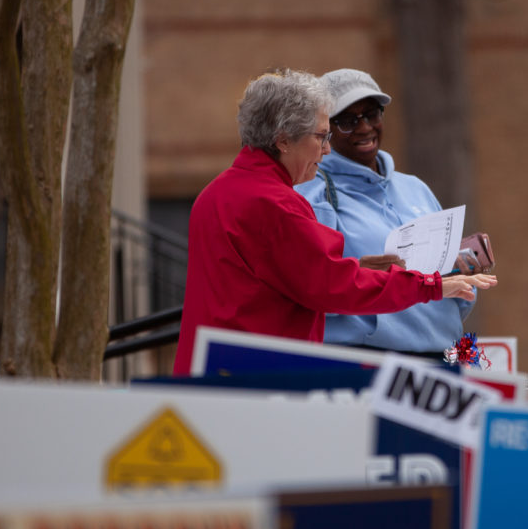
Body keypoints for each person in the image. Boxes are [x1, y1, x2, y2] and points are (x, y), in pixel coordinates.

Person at [172, 69, 496, 375]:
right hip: (261, 376)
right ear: (284, 140)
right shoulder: (276, 203)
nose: (326, 150)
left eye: (373, 114)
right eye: (322, 136)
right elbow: (330, 283)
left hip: (220, 368)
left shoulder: (214, 194)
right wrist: (432, 285)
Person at [294, 68, 478, 361]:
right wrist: (367, 275)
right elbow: (311, 290)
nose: (365, 127)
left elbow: (452, 292)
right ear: (323, 129)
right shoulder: (313, 194)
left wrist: (464, 267)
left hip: (447, 359)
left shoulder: (413, 187)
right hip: (370, 364)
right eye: (347, 121)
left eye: (372, 114)